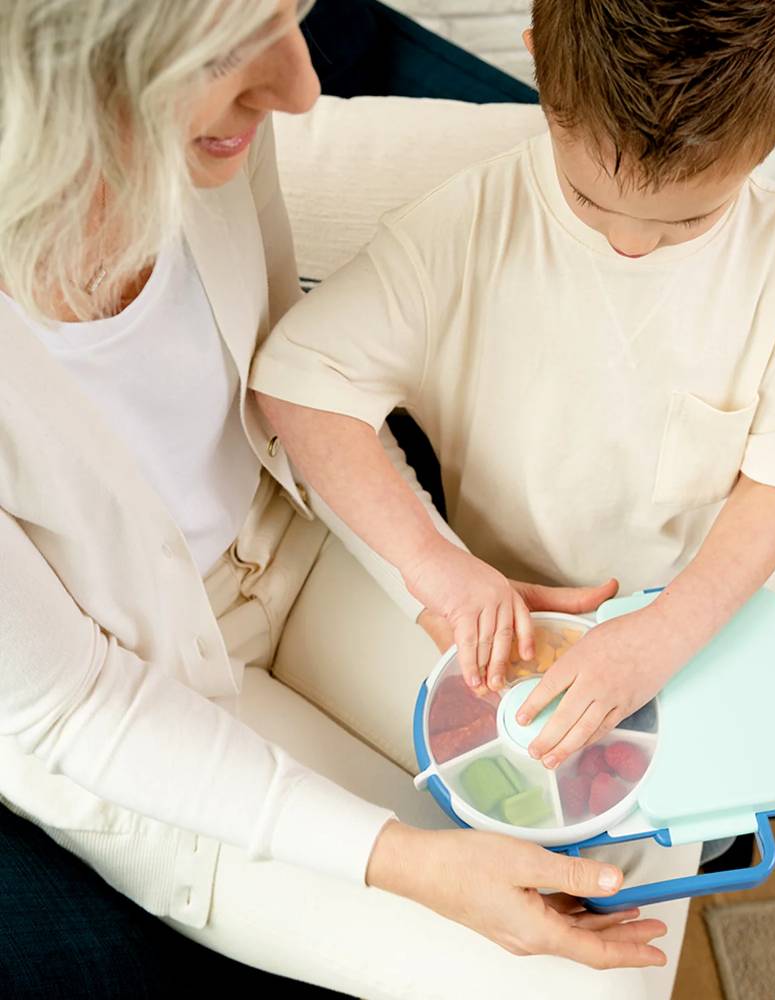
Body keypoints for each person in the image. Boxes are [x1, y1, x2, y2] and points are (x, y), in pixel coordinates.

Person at [0, 1, 703, 997]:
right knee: (585, 984)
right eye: (227, 48)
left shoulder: (208, 151)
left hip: (299, 548)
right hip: (144, 705)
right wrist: (412, 865)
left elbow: (294, 391)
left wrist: (437, 572)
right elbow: (78, 709)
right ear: (49, 77)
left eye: (292, 16)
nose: (298, 86)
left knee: (643, 800)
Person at [251, 0, 775, 773]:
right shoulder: (463, 224)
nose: (630, 244)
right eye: (591, 200)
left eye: (688, 220)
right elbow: (300, 384)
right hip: (520, 625)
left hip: (709, 605)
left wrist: (665, 636)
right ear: (538, 63)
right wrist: (436, 569)